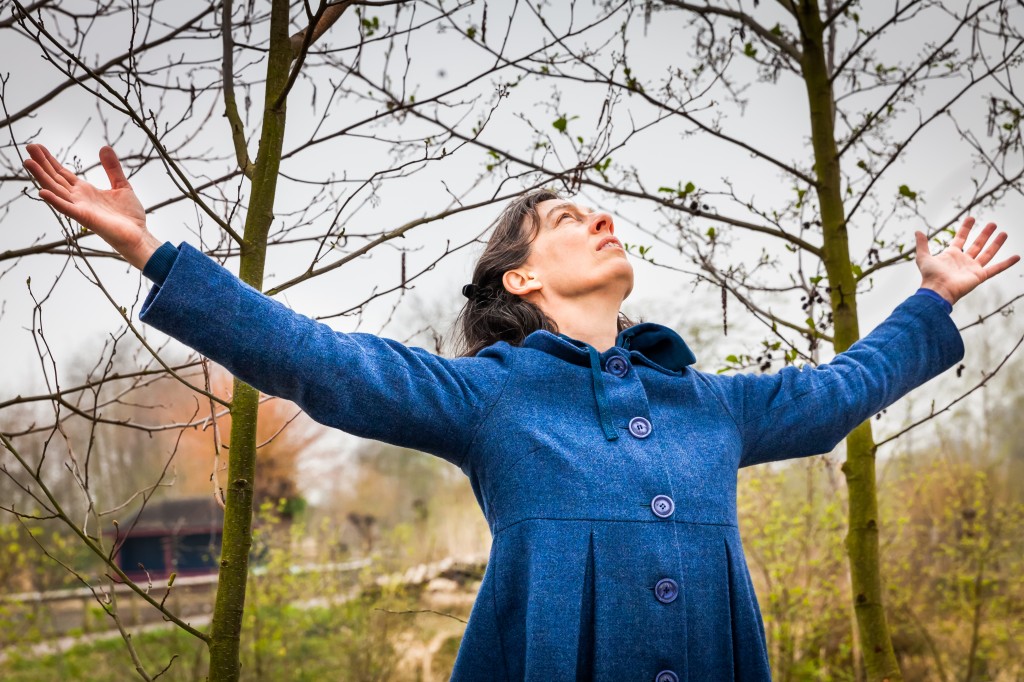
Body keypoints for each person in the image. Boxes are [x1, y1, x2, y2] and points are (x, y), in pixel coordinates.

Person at [22, 143, 1019, 681]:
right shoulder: (487, 396)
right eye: (570, 218)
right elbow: (316, 361)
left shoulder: (710, 406)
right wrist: (157, 255)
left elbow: (842, 389)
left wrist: (933, 298)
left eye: (604, 214)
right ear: (524, 274)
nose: (603, 219)